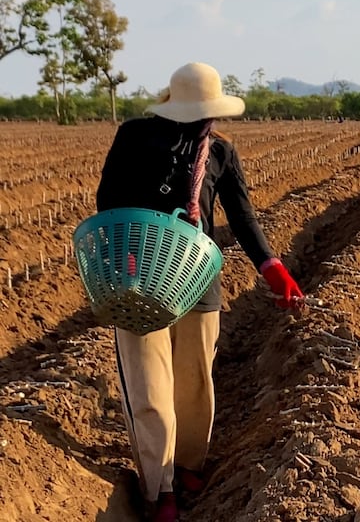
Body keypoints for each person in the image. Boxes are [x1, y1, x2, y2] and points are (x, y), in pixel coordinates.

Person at [96, 62, 304, 521]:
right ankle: (159, 489)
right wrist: (125, 249)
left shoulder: (220, 152)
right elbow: (108, 199)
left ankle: (189, 466)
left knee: (194, 382)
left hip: (197, 278)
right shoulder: (134, 137)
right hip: (139, 279)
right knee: (149, 387)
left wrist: (271, 265)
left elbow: (242, 215)